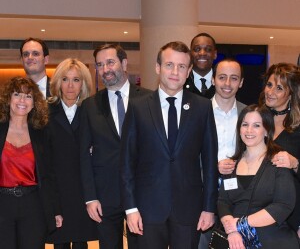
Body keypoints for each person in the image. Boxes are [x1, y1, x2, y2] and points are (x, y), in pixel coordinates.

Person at [120, 41, 218, 249]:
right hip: (147, 211)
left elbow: (210, 162)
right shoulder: (138, 107)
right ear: (158, 68)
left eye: (182, 66)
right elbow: (127, 162)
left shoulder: (202, 107)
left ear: (189, 71)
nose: (175, 72)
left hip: (188, 210)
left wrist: (209, 207)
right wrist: (130, 208)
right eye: (169, 65)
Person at [80, 43, 151, 249]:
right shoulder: (90, 106)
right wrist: (90, 197)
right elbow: (83, 155)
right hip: (104, 196)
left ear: (124, 63)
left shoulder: (148, 99)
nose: (105, 69)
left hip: (141, 193)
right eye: (100, 65)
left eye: (110, 62)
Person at [218, 104, 299, 248]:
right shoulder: (231, 166)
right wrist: (232, 230)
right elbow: (223, 202)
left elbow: (283, 205)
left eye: (256, 125)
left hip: (274, 241)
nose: (249, 130)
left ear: (267, 130)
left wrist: (241, 224)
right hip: (236, 241)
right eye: (245, 124)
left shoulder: (279, 161)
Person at [0, 77, 63, 249]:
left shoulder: (41, 133)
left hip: (34, 204)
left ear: (34, 103)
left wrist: (55, 209)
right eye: (17, 94)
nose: (22, 100)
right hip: (2, 204)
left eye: (28, 96)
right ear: (8, 99)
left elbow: (50, 174)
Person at [46, 59, 98, 249]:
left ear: (83, 83)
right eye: (65, 79)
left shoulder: (92, 111)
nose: (70, 85)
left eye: (76, 80)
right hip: (57, 192)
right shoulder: (44, 112)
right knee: (59, 242)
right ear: (58, 82)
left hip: (84, 192)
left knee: (81, 242)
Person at [199, 58, 246, 249]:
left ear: (241, 82)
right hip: (202, 194)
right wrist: (213, 167)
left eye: (234, 78)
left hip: (239, 196)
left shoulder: (249, 114)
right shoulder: (197, 112)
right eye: (222, 77)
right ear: (213, 80)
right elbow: (185, 156)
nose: (227, 84)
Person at [258, 62, 300, 238]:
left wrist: (295, 163)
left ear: (290, 94)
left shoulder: (298, 128)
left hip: (291, 215)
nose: (270, 92)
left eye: (279, 88)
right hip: (256, 211)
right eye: (269, 85)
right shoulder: (255, 120)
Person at [184, 32, 217, 99]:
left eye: (208, 49)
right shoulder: (181, 81)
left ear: (215, 54)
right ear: (190, 54)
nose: (202, 53)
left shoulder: (225, 83)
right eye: (197, 49)